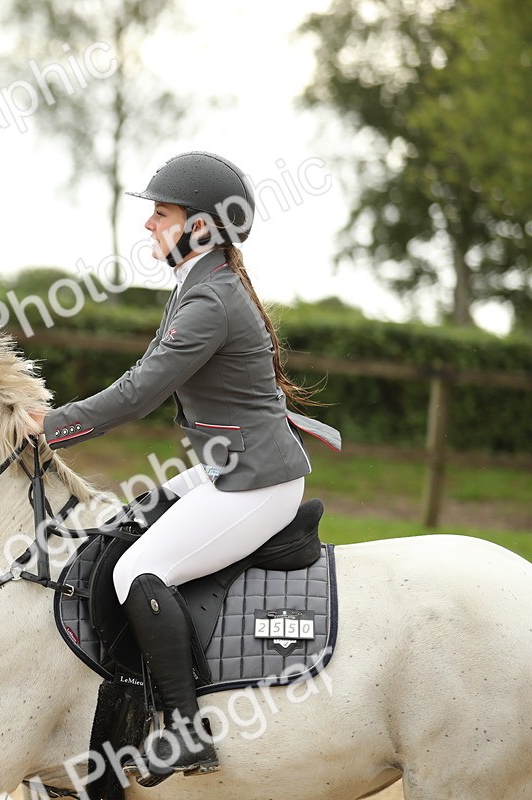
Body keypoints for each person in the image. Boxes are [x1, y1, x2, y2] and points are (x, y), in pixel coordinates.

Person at [27, 151, 341, 780]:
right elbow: (140, 378)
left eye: (161, 213)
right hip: (231, 466)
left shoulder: (210, 302)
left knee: (138, 570)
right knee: (125, 524)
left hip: (255, 480)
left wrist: (47, 429)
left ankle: (184, 731)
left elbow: (139, 392)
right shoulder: (201, 286)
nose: (148, 224)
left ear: (201, 226)